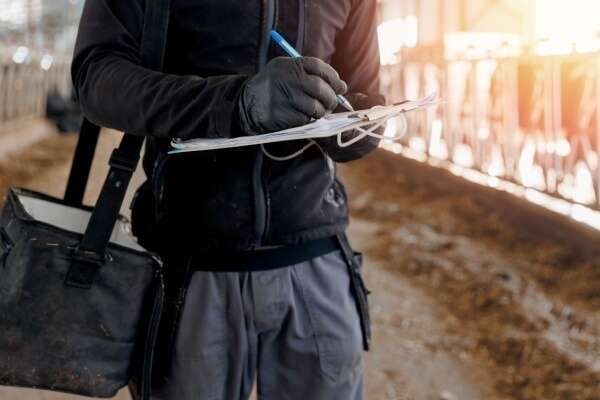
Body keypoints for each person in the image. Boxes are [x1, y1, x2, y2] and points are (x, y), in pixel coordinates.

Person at [72, 0, 384, 399]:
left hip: (316, 262)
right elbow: (96, 77)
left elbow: (365, 91)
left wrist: (359, 124)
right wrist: (236, 103)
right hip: (189, 270)